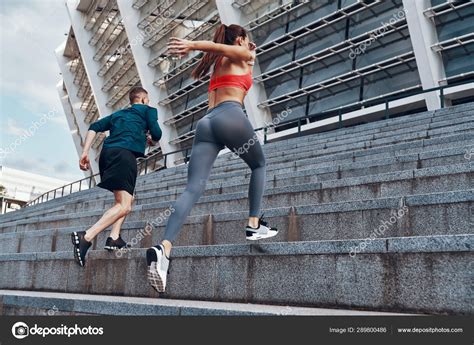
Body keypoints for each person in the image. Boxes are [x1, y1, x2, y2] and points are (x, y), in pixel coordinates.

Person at [146, 24, 278, 293]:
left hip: (206, 124)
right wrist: (193, 45)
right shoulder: (242, 54)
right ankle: (254, 224)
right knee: (259, 164)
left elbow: (222, 51)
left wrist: (209, 47)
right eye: (247, 39)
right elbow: (223, 47)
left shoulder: (219, 64)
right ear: (240, 39)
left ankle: (164, 248)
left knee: (192, 188)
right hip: (230, 115)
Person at [71, 86, 162, 267]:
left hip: (107, 155)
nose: (148, 102)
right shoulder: (149, 110)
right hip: (124, 155)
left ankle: (114, 237)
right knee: (125, 206)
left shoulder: (119, 114)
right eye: (148, 99)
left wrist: (85, 152)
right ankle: (86, 236)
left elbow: (94, 127)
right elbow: (157, 134)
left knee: (126, 199)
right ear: (143, 99)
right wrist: (150, 138)